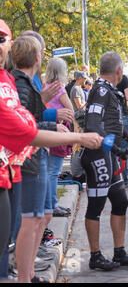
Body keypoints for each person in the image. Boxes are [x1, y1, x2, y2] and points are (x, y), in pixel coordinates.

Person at [10, 35, 76, 283]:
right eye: (43, 51)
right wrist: (51, 118)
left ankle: (27, 270)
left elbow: (27, 117)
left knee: (38, 216)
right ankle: (23, 274)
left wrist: (49, 118)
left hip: (34, 154)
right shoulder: (21, 83)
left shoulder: (25, 81)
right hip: (29, 156)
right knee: (31, 218)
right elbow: (24, 122)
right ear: (37, 58)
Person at [81, 52, 128, 271]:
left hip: (108, 155)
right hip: (98, 155)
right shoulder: (101, 90)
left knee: (121, 201)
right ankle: (95, 256)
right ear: (119, 71)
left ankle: (119, 252)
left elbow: (111, 123)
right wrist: (117, 148)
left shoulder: (108, 89)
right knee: (96, 206)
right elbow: (94, 126)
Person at [43, 58, 74, 217]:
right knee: (54, 171)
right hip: (58, 130)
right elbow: (70, 109)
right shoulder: (59, 88)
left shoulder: (45, 86)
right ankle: (52, 204)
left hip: (46, 130)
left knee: (49, 170)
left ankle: (51, 203)